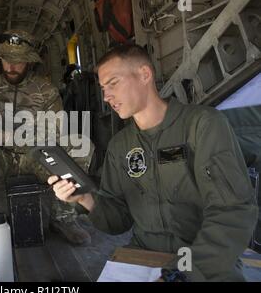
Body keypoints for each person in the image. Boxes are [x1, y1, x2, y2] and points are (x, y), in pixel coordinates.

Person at [48, 44, 258, 281]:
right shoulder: (120, 145)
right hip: (143, 257)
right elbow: (119, 220)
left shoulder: (203, 125)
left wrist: (180, 275)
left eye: (113, 83)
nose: (106, 97)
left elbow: (232, 211)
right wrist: (83, 198)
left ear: (145, 75)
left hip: (206, 261)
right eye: (103, 88)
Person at [0, 29, 92, 245]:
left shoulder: (46, 90)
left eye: (18, 61)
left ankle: (63, 217)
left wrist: (11, 136)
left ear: (30, 61)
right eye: (6, 61)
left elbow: (56, 132)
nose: (11, 67)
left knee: (81, 144)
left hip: (37, 159)